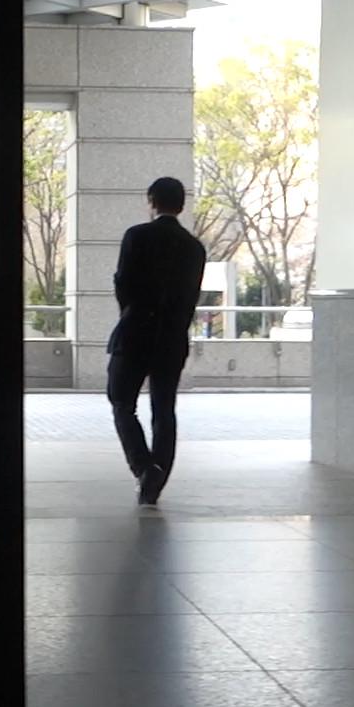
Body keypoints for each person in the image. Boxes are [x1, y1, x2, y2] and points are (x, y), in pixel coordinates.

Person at [107, 177, 208, 505]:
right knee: (164, 409)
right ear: (181, 205)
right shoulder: (194, 247)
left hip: (135, 332)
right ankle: (157, 479)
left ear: (151, 201)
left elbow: (123, 283)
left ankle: (143, 466)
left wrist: (132, 314)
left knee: (122, 402)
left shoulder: (136, 236)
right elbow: (190, 297)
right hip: (172, 338)